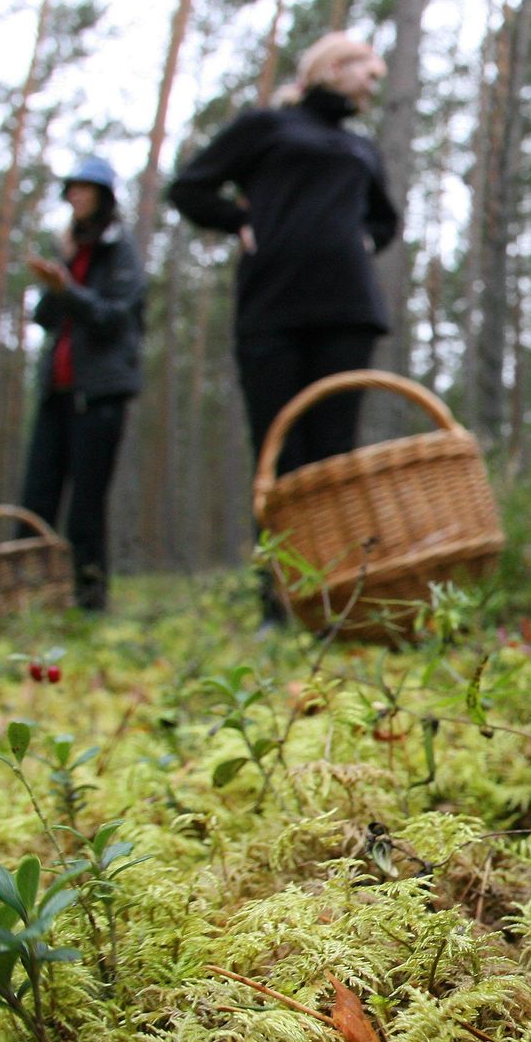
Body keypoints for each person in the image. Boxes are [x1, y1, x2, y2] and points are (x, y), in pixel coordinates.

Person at [166, 32, 397, 621]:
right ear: (334, 66)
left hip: (347, 309)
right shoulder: (268, 127)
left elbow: (384, 218)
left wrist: (356, 242)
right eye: (367, 74)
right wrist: (237, 218)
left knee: (333, 457)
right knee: (278, 450)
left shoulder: (361, 147)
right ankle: (277, 601)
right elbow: (190, 187)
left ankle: (330, 600)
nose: (373, 86)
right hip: (273, 305)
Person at [19, 154, 145, 613]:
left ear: (103, 195)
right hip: (57, 390)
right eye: (71, 188)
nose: (75, 196)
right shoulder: (68, 250)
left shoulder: (120, 250)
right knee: (37, 498)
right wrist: (61, 276)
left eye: (84, 188)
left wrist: (67, 286)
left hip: (101, 394)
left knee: (86, 506)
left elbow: (114, 318)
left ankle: (90, 600)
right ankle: (26, 599)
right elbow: (44, 317)